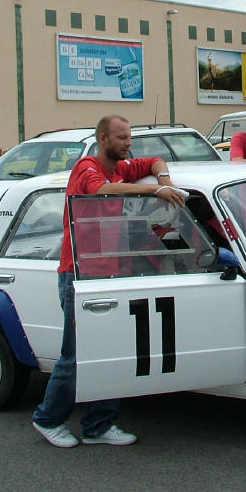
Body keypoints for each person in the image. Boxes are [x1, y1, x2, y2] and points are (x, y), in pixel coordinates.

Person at [32, 115, 186, 449]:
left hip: (109, 274)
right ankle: (47, 419)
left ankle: (98, 425)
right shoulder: (87, 168)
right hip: (78, 275)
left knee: (110, 351)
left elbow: (154, 160)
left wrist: (165, 179)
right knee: (75, 355)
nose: (128, 143)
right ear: (103, 139)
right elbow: (101, 190)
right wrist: (155, 190)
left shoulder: (121, 167)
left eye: (129, 137)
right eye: (122, 138)